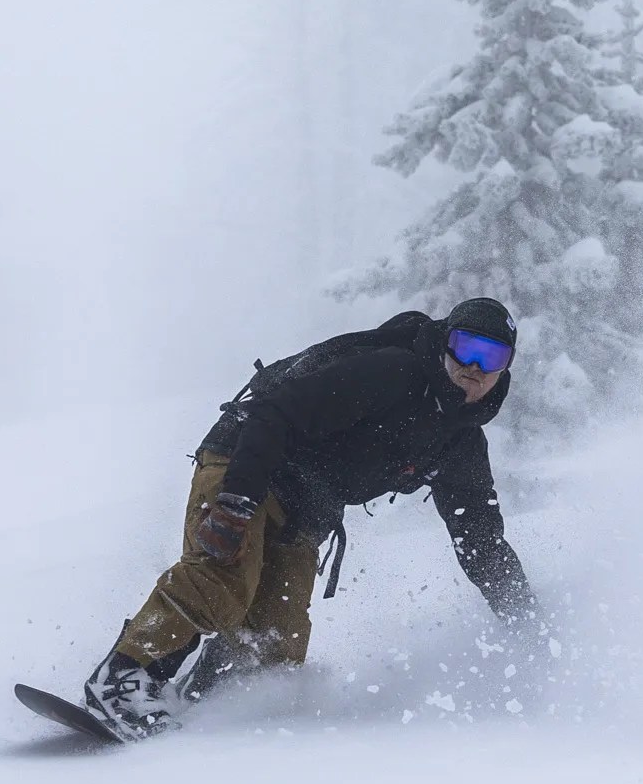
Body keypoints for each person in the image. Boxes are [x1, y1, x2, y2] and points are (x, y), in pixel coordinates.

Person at [78, 297, 537, 739]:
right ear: (445, 344)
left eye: (490, 355)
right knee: (225, 576)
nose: (472, 368)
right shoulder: (392, 373)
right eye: (465, 347)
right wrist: (236, 501)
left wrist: (528, 623)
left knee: (278, 645)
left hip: (305, 511)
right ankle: (125, 676)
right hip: (247, 463)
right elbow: (275, 412)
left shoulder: (461, 446)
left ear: (505, 368)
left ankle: (207, 702)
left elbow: (481, 541)